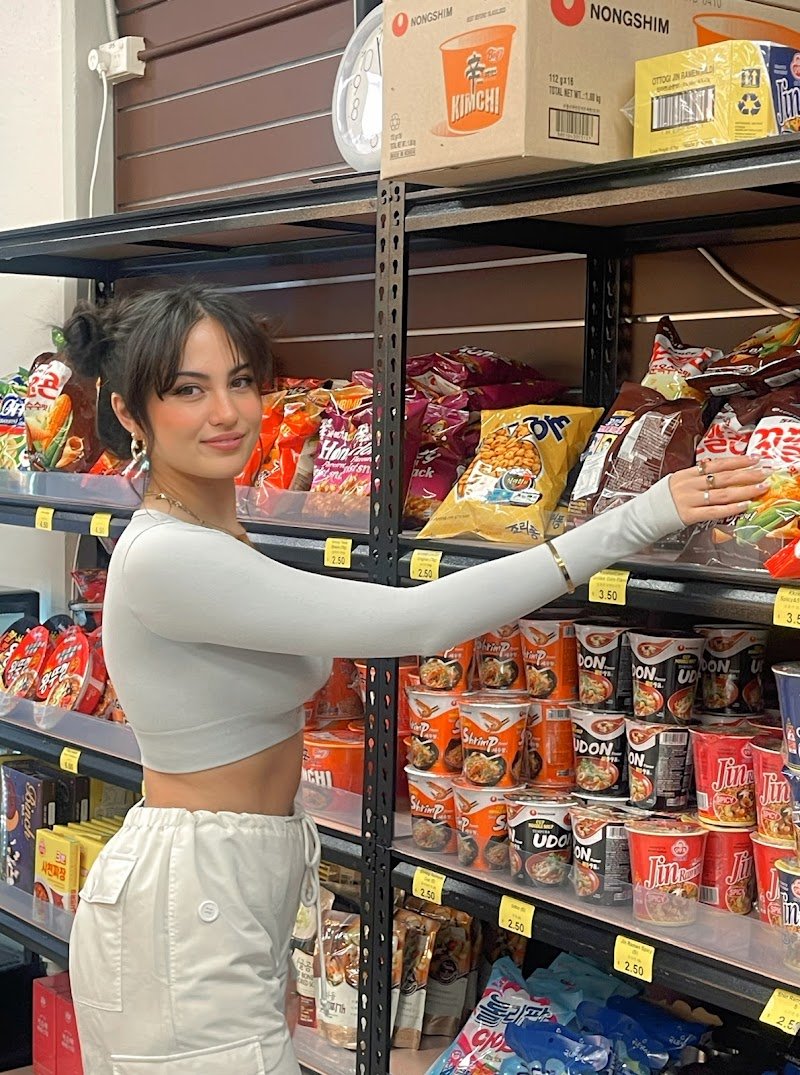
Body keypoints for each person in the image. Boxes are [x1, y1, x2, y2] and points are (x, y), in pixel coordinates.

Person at [63, 285, 767, 1074]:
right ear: (130, 413)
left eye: (241, 380)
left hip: (228, 885)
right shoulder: (169, 556)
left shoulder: (212, 533)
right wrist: (634, 519)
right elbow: (416, 622)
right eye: (188, 390)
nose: (226, 411)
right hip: (188, 899)